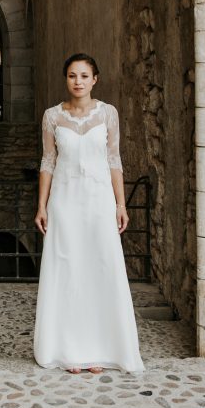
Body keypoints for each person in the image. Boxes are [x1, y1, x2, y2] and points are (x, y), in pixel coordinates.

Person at [33, 52, 143, 374]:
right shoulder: (53, 117)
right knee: (68, 271)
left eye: (83, 75)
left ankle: (100, 349)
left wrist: (120, 205)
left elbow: (114, 160)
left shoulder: (108, 114)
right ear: (65, 79)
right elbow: (48, 162)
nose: (77, 81)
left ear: (95, 79)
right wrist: (41, 205)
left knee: (100, 267)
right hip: (65, 201)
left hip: (98, 201)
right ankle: (68, 350)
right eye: (71, 75)